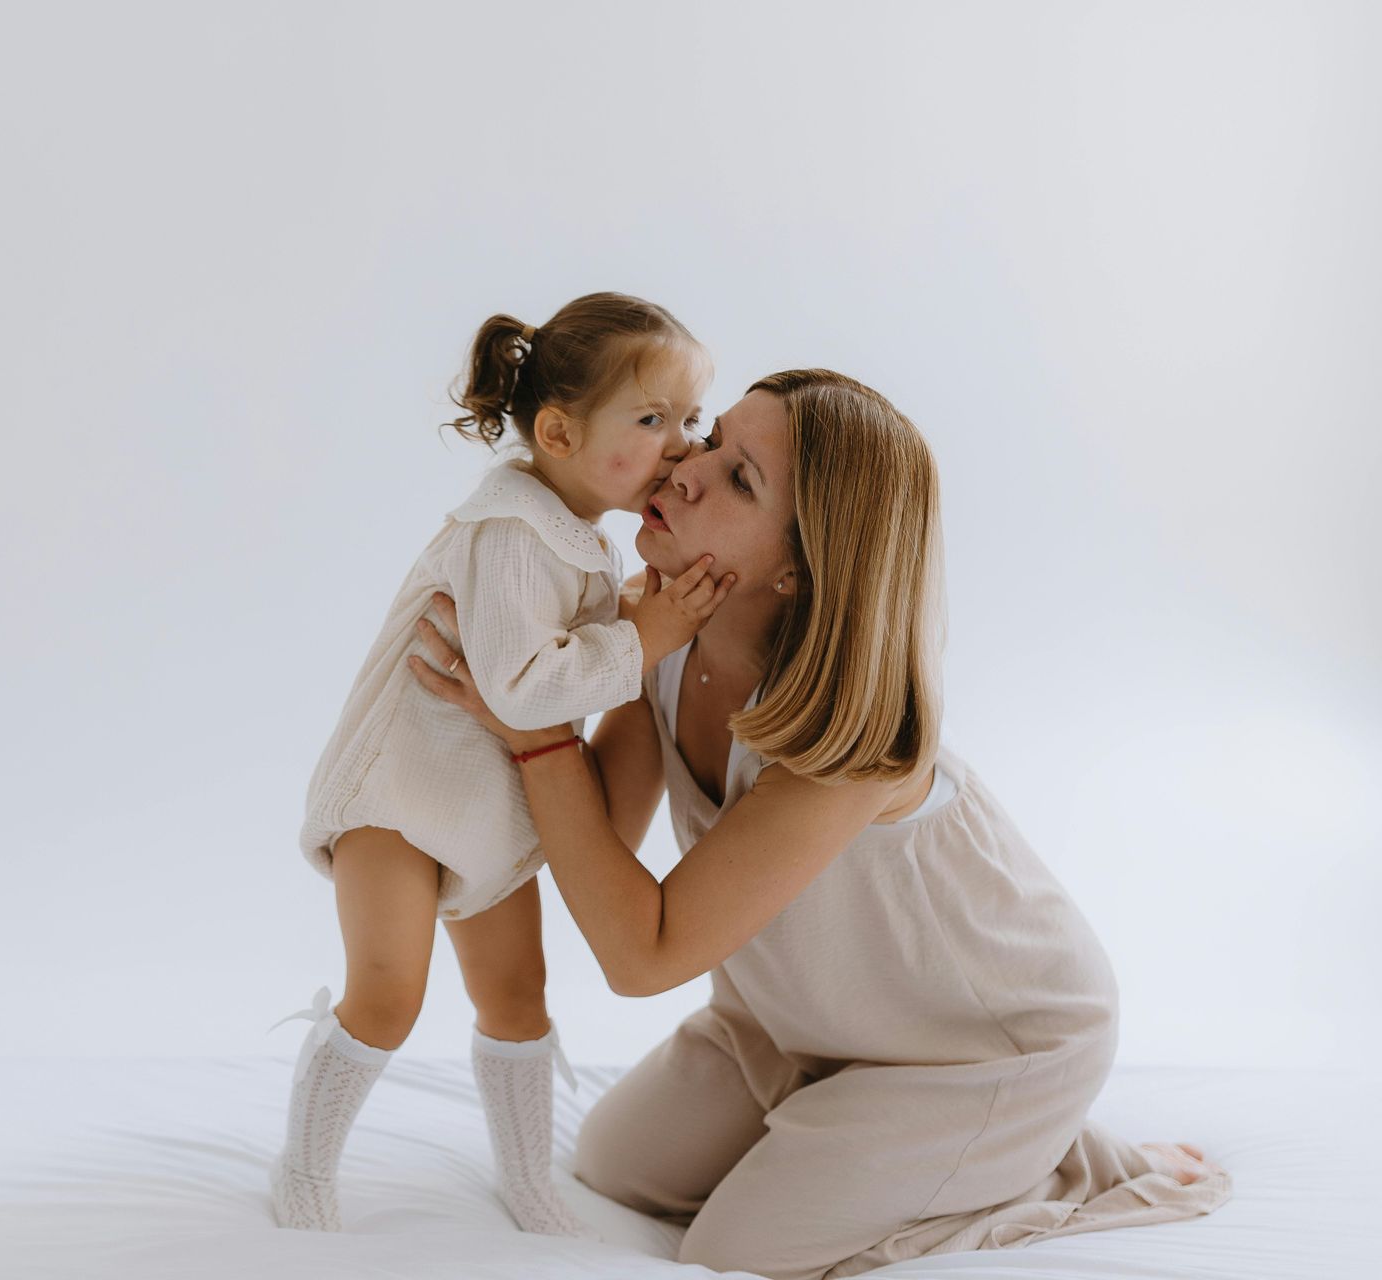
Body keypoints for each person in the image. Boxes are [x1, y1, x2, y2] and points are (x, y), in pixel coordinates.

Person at [406, 369, 1233, 1279]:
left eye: (740, 478)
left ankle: (1056, 1159)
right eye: (713, 438)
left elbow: (639, 955)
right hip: (791, 1018)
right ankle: (855, 1111)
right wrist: (522, 693)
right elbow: (591, 838)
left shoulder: (854, 744)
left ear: (800, 564)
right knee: (616, 1166)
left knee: (741, 1250)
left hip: (979, 1051)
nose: (685, 468)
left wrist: (538, 735)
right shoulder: (656, 644)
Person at [271, 292, 737, 1234]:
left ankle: (528, 1179)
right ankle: (305, 1167)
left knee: (518, 996)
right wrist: (644, 637)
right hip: (397, 804)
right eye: (653, 422)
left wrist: (640, 620)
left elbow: (565, 682)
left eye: (689, 420)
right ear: (559, 431)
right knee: (389, 994)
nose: (683, 446)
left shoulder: (581, 541)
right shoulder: (511, 533)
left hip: (483, 817)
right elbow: (525, 691)